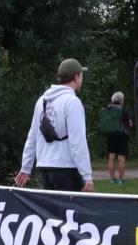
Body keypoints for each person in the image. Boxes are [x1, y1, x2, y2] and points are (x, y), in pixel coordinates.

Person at [15, 58, 94, 192]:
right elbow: (77, 142)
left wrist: (26, 168)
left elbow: (32, 137)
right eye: (81, 75)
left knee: (52, 212)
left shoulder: (41, 101)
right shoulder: (72, 102)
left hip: (45, 169)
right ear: (76, 76)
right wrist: (87, 175)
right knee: (72, 211)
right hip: (66, 169)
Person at [103, 91, 133, 185]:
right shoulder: (124, 109)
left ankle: (112, 179)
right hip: (122, 136)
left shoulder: (108, 109)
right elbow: (130, 123)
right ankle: (121, 180)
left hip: (111, 135)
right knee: (121, 158)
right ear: (121, 100)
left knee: (111, 158)